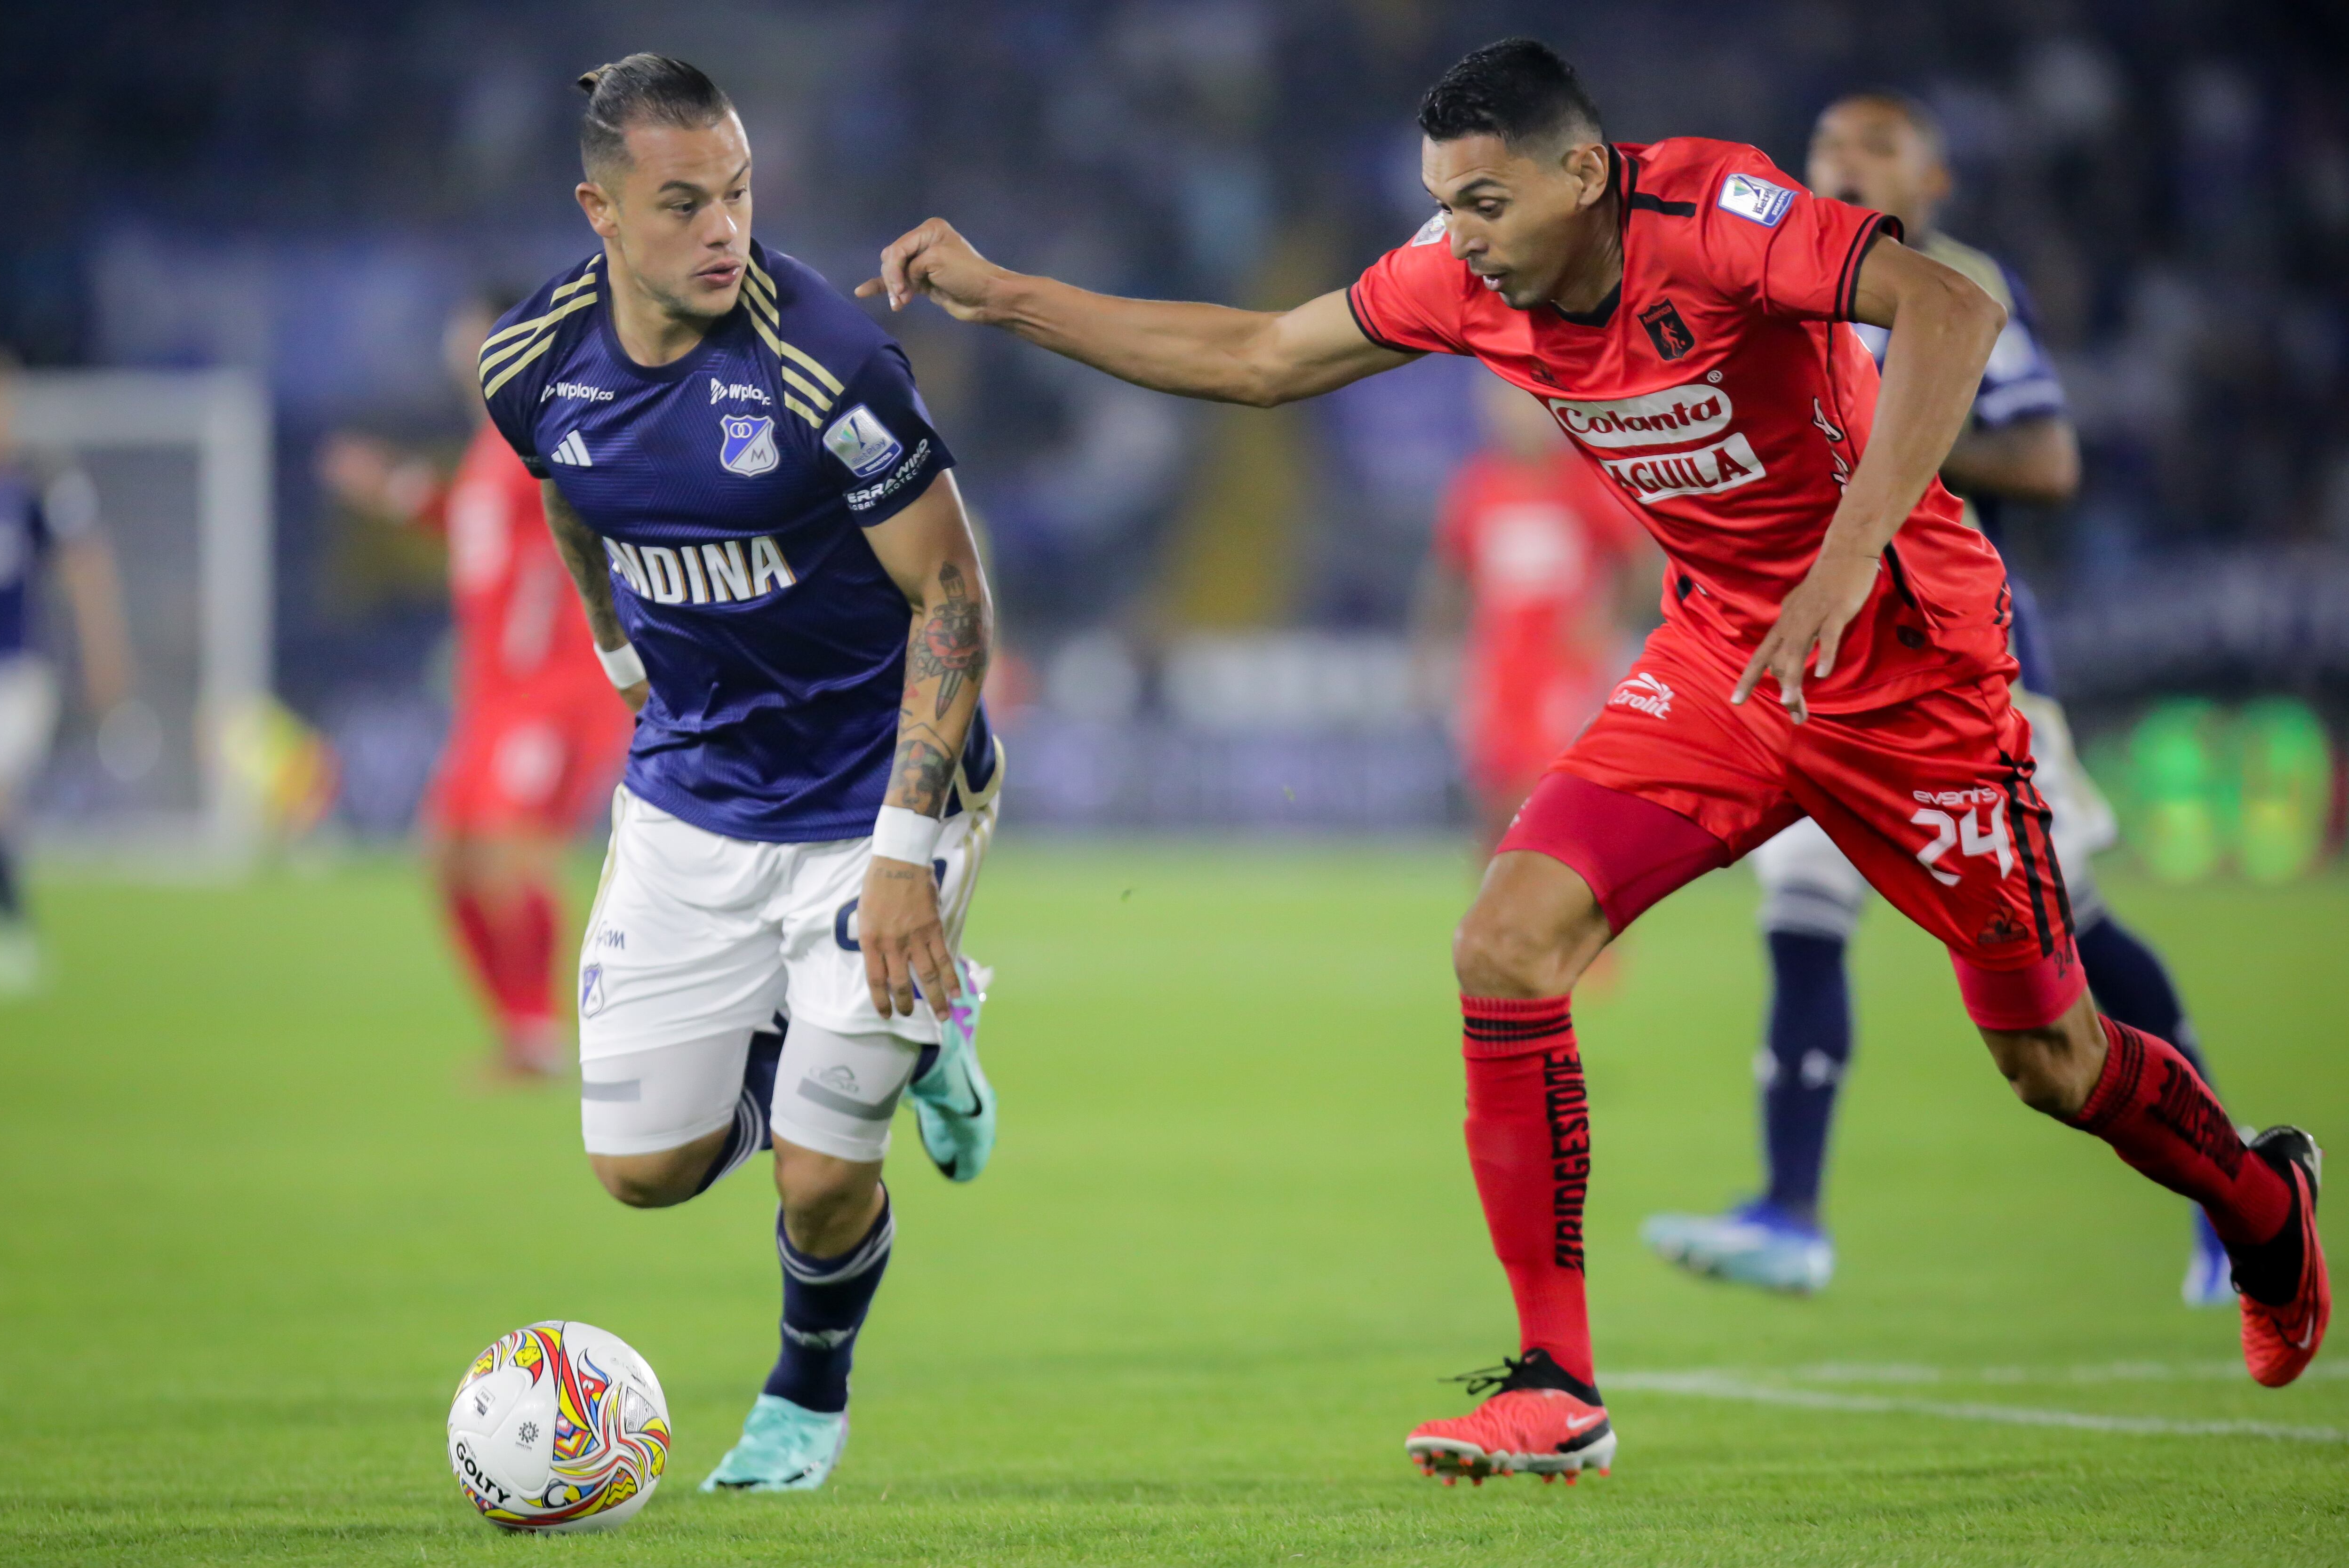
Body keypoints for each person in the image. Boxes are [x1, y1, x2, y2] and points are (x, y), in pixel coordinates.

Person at [861, 37, 2328, 1482]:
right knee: (1503, 942)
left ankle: (2261, 1205)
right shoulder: (1463, 282)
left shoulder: (1716, 219)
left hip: (1910, 673)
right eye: (1441, 204)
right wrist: (1005, 299)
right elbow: (1255, 353)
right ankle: (1555, 1383)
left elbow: (1943, 307)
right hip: (1720, 669)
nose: (1456, 238)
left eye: (1482, 204)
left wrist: (1847, 551)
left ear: (1584, 173)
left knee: (2049, 1060)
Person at [481, 55, 1003, 1493]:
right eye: (682, 203)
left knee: (825, 1172)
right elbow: (567, 485)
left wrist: (905, 847)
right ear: (599, 211)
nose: (725, 231)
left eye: (740, 193)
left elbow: (952, 598)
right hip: (688, 799)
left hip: (868, 799)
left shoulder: (825, 360)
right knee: (641, 1172)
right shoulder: (526, 367)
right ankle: (892, 1032)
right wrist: (610, 649)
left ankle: (803, 1398)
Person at [1640, 90, 2238, 1306]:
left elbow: (2051, 458)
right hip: (1815, 661)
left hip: (1970, 669)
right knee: (1801, 908)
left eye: (1877, 156)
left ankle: (2233, 1201)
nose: (1847, 173)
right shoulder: (1776, 276)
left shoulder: (1957, 284)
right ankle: (1791, 1211)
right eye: (1827, 155)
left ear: (1935, 183)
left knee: (2070, 925)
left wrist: (1892, 429)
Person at [320, 299, 635, 1076]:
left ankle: (546, 1036)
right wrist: (393, 489)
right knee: (448, 854)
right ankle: (520, 1030)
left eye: (483, 336)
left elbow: (618, 502)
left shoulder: (556, 431)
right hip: (493, 698)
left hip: (555, 690)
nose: (466, 352)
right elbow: (468, 520)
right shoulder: (490, 453)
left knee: (509, 848)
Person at [1414, 371, 1653, 857]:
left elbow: (1638, 561)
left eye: (1524, 404)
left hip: (1563, 668)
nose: (1514, 417)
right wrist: (1428, 654)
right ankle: (1498, 921)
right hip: (1497, 669)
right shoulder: (1478, 484)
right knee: (1493, 806)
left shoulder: (1580, 482)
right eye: (1504, 405)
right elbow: (1448, 575)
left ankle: (1587, 921)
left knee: (1553, 795)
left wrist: (1604, 623)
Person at [0, 348, 137, 994]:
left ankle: (16, 933)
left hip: (18, 674)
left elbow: (87, 569)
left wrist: (103, 656)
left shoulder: (41, 481)